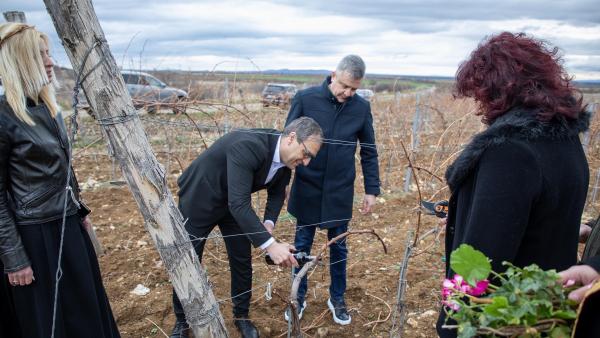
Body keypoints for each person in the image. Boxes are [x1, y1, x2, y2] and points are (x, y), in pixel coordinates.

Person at [436, 32, 589, 337]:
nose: (480, 103)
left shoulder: (508, 151)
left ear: (495, 90)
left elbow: (482, 258)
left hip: (504, 321)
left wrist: (453, 324)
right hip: (548, 309)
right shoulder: (567, 140)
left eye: (480, 93)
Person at [0, 23, 120, 337]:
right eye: (41, 56)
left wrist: (80, 212)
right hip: (34, 238)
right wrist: (14, 258)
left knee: (86, 315)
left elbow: (64, 170)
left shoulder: (50, 110)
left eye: (49, 55)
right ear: (21, 62)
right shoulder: (3, 117)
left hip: (68, 228)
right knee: (50, 323)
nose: (51, 62)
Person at [170, 117, 323, 338]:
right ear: (292, 138)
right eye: (306, 153)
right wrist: (271, 246)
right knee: (188, 259)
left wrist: (268, 224)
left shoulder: (286, 163)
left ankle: (241, 316)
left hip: (233, 203)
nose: (306, 162)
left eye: (311, 158)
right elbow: (239, 204)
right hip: (200, 197)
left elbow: (277, 193)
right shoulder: (250, 145)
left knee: (241, 259)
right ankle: (181, 321)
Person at [284, 55, 380, 325]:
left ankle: (337, 298)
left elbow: (369, 151)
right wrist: (283, 184)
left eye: (354, 89)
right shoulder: (305, 99)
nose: (348, 93)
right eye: (345, 86)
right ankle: (298, 298)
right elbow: (287, 143)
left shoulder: (361, 108)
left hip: (340, 189)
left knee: (339, 248)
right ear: (333, 75)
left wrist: (371, 189)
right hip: (307, 185)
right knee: (302, 245)